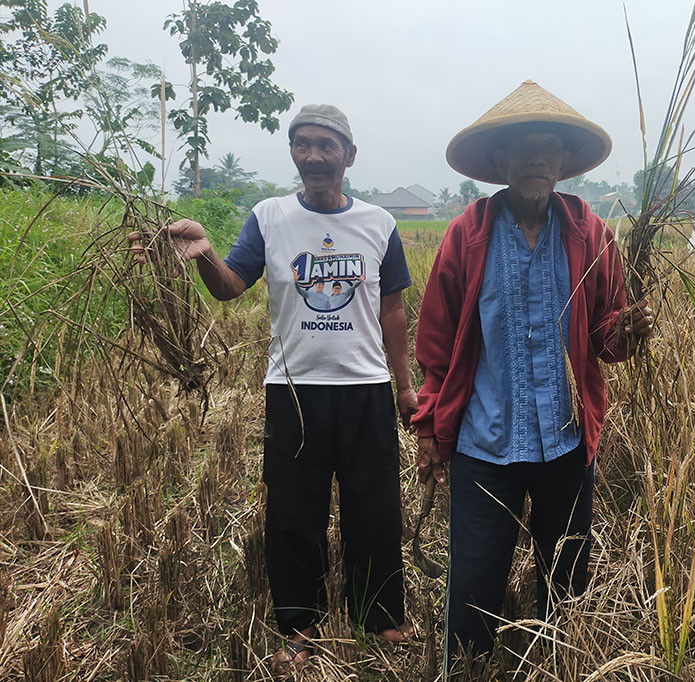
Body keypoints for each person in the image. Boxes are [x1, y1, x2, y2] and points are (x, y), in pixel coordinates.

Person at [131, 104, 416, 673]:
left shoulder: (379, 225)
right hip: (294, 390)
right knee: (293, 513)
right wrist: (204, 252)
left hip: (365, 387)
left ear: (349, 157)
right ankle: (299, 625)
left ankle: (381, 617)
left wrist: (404, 389)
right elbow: (231, 286)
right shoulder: (270, 216)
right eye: (302, 144)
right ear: (293, 153)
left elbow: (392, 313)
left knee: (375, 507)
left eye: (326, 146)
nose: (313, 156)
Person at [411, 81, 654, 668]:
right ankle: (467, 666)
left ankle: (561, 661)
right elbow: (436, 344)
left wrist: (630, 330)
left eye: (550, 149)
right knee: (473, 578)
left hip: (566, 441)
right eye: (524, 149)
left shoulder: (590, 233)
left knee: (567, 575)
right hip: (484, 441)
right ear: (500, 162)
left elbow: (605, 337)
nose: (538, 160)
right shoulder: (467, 234)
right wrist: (427, 428)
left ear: (565, 163)